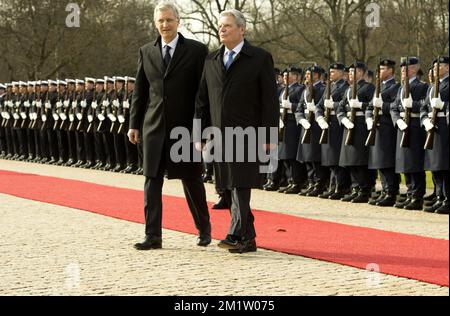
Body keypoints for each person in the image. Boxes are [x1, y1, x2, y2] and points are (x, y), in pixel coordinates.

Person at [128, 2, 211, 250]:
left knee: (192, 181)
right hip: (153, 128)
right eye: (161, 21)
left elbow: (203, 93)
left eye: (169, 20)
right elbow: (140, 92)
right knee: (151, 181)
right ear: (156, 23)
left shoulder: (197, 51)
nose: (165, 25)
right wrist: (134, 124)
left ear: (178, 21)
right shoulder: (146, 51)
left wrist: (202, 127)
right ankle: (153, 235)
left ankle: (203, 229)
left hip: (185, 129)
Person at [195, 9, 278, 253]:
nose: (222, 29)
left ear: (242, 29)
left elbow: (270, 101)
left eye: (228, 26)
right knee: (227, 186)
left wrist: (269, 135)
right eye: (221, 26)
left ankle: (236, 234)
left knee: (241, 184)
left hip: (247, 134)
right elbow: (202, 100)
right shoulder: (211, 60)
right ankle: (247, 237)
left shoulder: (260, 58)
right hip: (219, 135)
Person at [391, 57, 429, 210]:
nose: (402, 71)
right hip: (402, 126)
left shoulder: (422, 86)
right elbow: (394, 107)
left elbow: (427, 104)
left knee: (415, 162)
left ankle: (417, 196)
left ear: (414, 69)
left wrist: (413, 105)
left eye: (406, 69)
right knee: (405, 162)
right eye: (401, 69)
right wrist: (397, 121)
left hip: (414, 127)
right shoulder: (401, 87)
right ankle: (410, 192)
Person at [366, 59, 401, 207]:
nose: (379, 72)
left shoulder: (396, 87)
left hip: (388, 128)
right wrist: (368, 117)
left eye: (382, 69)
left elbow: (396, 106)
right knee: (380, 161)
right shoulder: (378, 87)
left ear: (390, 71)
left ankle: (391, 191)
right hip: (377, 127)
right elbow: (370, 105)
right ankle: (385, 190)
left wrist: (383, 106)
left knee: (387, 161)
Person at [421, 56, 449, 214]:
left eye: (439, 67)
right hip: (432, 128)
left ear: (447, 68)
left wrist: (444, 105)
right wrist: (425, 120)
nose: (435, 70)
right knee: (435, 166)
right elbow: (425, 107)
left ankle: (447, 198)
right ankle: (440, 196)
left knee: (445, 166)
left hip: (445, 128)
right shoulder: (432, 87)